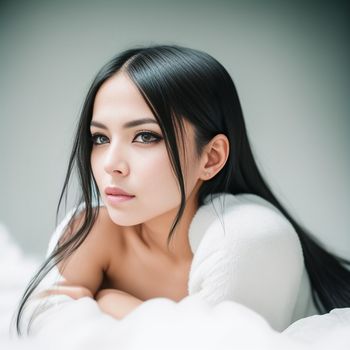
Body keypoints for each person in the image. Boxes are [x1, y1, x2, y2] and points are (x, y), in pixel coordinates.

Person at [13, 44, 350, 336]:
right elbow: (39, 322)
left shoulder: (249, 235)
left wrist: (110, 299)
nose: (110, 164)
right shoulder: (94, 229)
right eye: (100, 138)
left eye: (146, 136)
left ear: (211, 156)